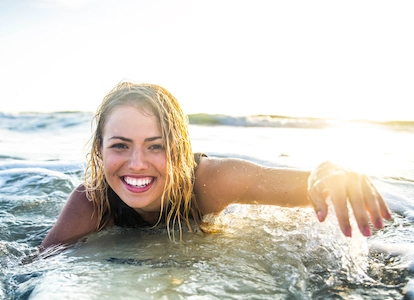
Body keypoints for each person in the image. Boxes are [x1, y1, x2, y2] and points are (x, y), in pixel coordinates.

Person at [40, 81, 391, 250]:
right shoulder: (91, 202)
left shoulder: (212, 181)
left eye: (156, 146)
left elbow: (312, 186)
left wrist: (333, 175)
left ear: (179, 150)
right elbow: (37, 266)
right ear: (99, 152)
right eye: (120, 146)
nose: (137, 164)